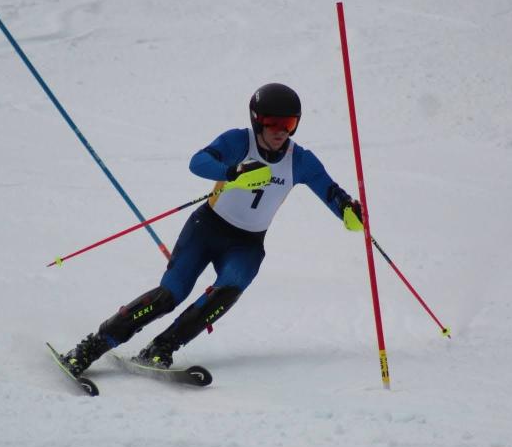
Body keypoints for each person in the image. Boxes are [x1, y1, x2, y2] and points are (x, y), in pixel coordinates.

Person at [59, 82, 365, 374]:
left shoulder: (300, 160)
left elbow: (331, 192)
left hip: (247, 245)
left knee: (229, 289)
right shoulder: (237, 141)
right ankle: (88, 349)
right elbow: (198, 162)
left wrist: (349, 213)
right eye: (273, 122)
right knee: (170, 294)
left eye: (289, 124)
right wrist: (232, 172)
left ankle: (160, 349)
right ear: (257, 121)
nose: (281, 131)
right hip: (206, 229)